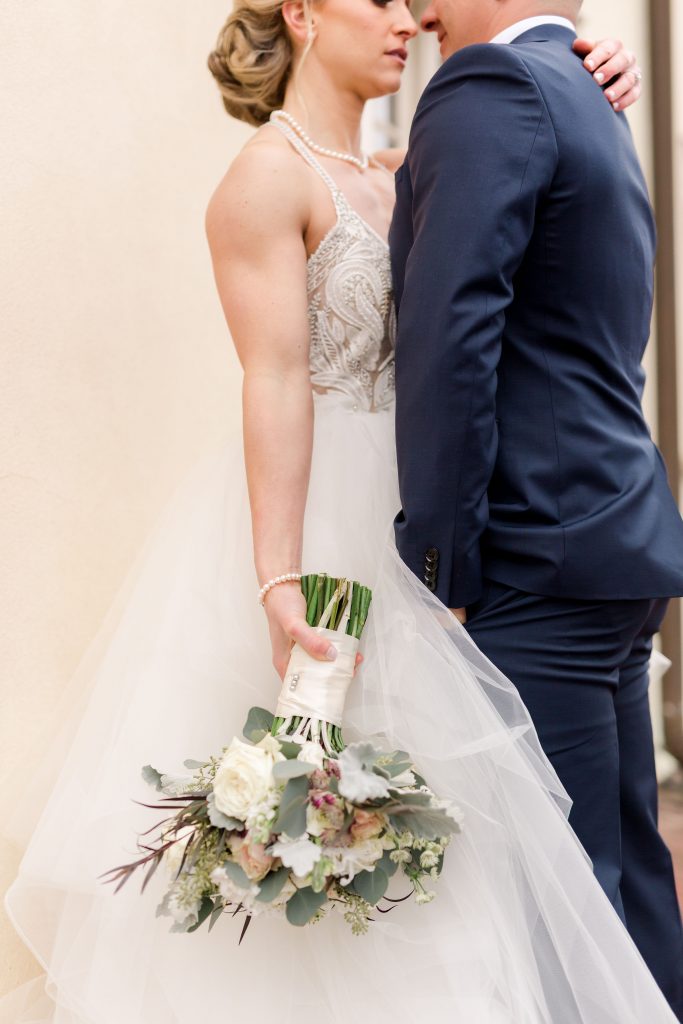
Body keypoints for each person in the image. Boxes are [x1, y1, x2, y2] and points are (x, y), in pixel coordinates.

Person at [2, 2, 676, 1022]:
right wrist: (278, 576)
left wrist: (589, 66)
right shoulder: (264, 179)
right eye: (376, 0)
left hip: (430, 517)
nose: (408, 18)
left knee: (499, 852)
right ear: (302, 14)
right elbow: (273, 382)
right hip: (330, 529)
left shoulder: (415, 155)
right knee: (341, 835)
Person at [390, 0, 683, 1017]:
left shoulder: (488, 87)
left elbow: (449, 334)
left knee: (554, 903)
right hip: (612, 538)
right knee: (629, 883)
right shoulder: (588, 90)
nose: (421, 13)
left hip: (527, 553)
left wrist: (438, 568)